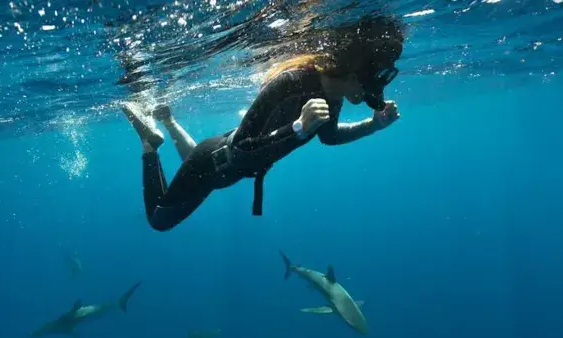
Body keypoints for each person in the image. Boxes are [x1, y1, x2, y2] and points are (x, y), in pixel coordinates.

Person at [120, 15, 405, 232]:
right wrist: (297, 129)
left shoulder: (334, 96)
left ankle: (168, 121)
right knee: (159, 221)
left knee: (192, 163)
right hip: (216, 162)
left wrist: (373, 125)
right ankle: (150, 144)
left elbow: (329, 137)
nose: (371, 95)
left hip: (223, 167)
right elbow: (241, 150)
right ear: (353, 72)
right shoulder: (291, 82)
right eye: (371, 85)